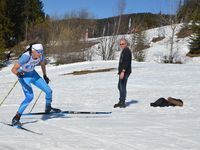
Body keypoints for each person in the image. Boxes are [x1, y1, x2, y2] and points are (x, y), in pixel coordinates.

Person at [11, 43, 60, 126]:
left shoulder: (40, 55)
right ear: (33, 50)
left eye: (42, 51)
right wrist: (18, 74)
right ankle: (16, 118)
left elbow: (42, 64)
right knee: (29, 97)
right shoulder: (26, 56)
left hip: (33, 74)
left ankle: (48, 108)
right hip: (24, 76)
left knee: (49, 91)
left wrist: (45, 75)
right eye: (39, 51)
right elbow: (13, 69)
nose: (40, 53)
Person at [114, 38, 132, 108]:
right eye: (120, 44)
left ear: (126, 44)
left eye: (123, 44)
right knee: (120, 86)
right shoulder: (124, 50)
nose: (121, 45)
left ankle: (122, 102)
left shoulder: (127, 51)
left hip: (125, 72)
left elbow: (126, 62)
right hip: (122, 72)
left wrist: (123, 71)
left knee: (122, 86)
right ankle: (121, 101)